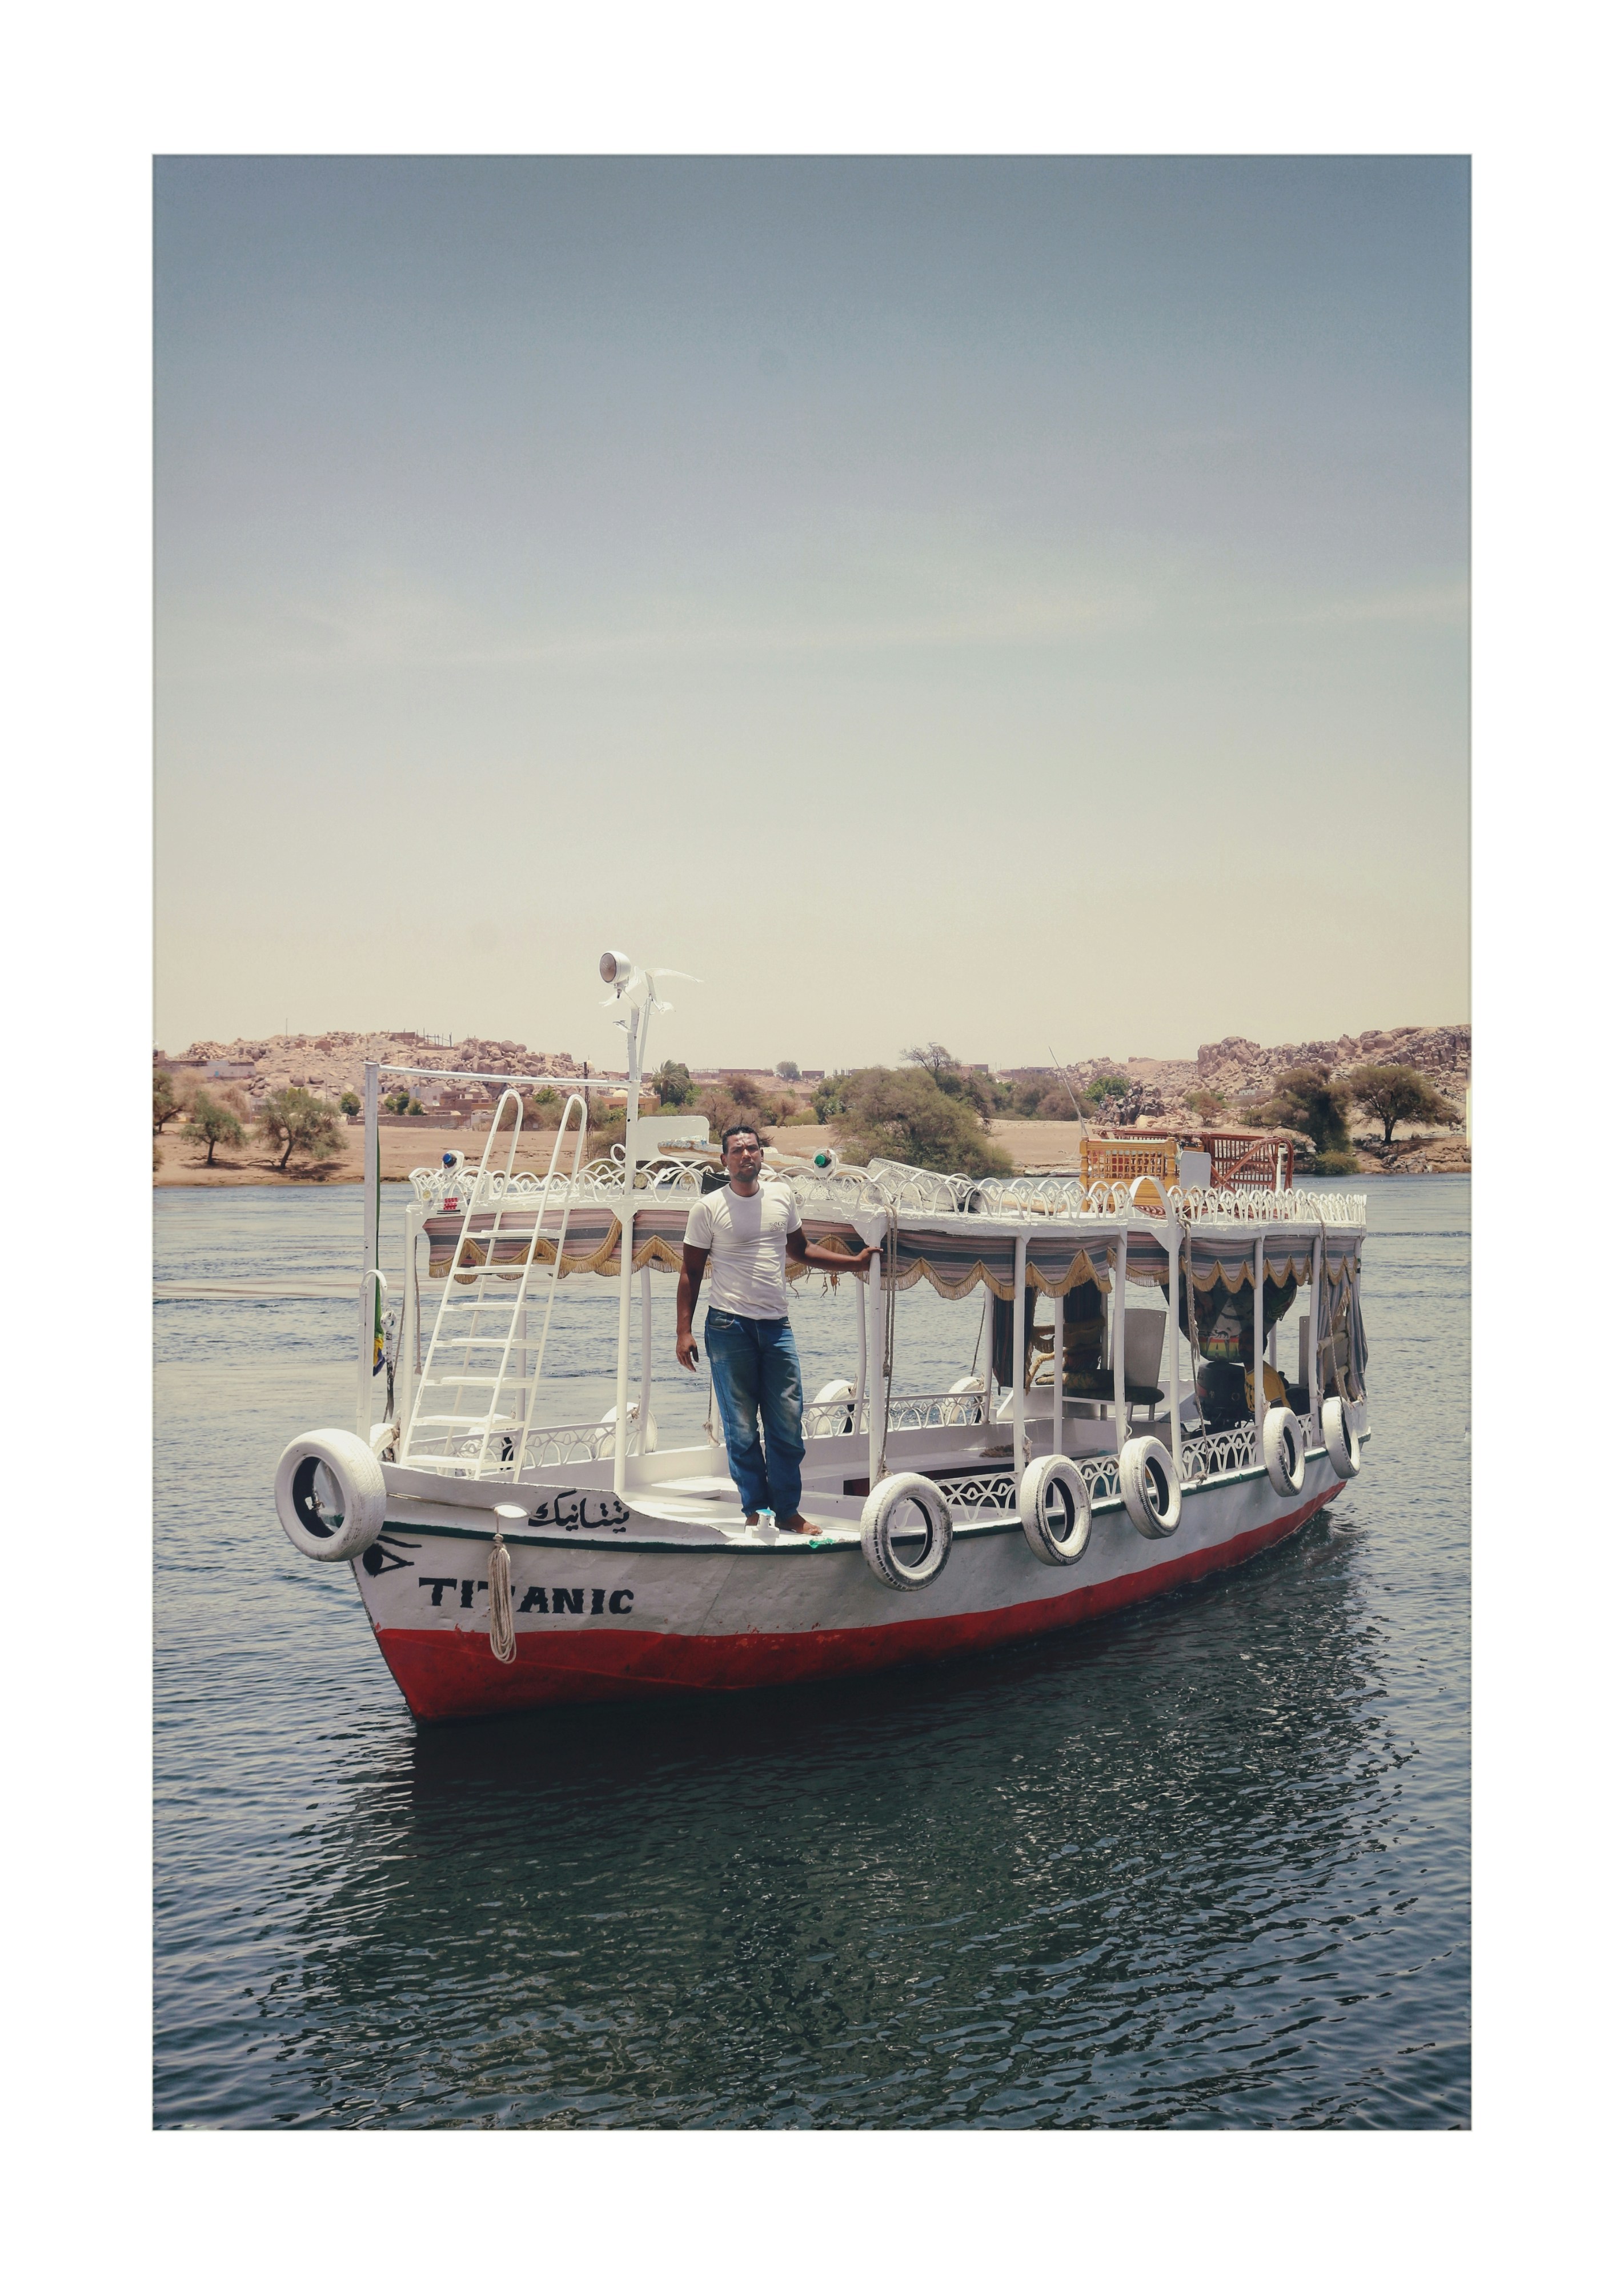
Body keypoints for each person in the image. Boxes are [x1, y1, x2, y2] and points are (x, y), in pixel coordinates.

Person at [676, 1123, 877, 1533]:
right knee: (741, 1426)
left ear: (761, 1155)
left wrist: (854, 1263)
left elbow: (801, 1250)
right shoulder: (707, 1209)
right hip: (728, 1326)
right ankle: (756, 1510)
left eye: (752, 1149)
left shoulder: (781, 1196)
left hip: (776, 1327)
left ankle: (787, 1512)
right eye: (737, 1151)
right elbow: (690, 1272)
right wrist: (684, 1331)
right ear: (724, 1160)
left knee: (787, 1423)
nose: (745, 1156)